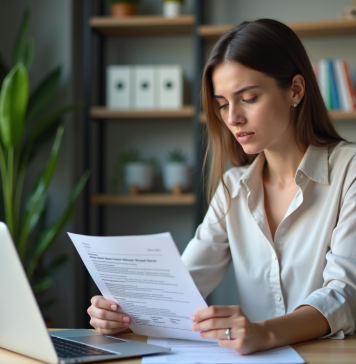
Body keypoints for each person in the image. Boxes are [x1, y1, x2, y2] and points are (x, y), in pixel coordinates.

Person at [87, 19, 356, 354]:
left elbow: (344, 293)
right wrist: (118, 313)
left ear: (296, 90)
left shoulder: (349, 170)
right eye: (223, 104)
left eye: (249, 98)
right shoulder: (233, 187)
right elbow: (179, 287)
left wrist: (265, 333)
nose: (232, 119)